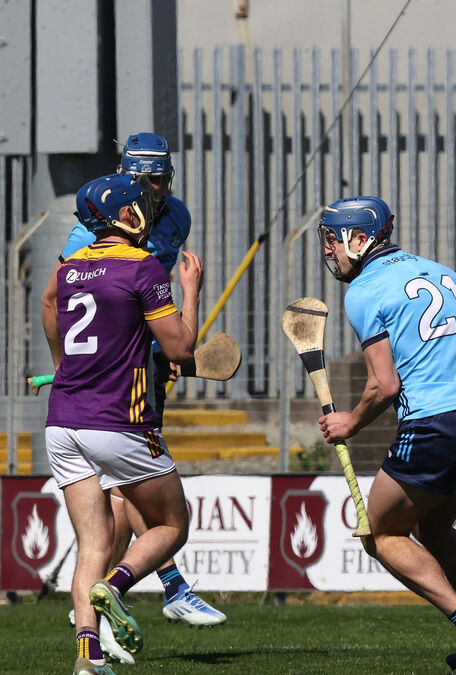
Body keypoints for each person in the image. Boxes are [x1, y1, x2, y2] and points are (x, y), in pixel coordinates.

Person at [40, 134, 226, 663]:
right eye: (140, 185)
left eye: (157, 181)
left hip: (66, 415)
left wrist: (71, 366)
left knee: (95, 538)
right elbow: (176, 337)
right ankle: (141, 586)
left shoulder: (84, 258)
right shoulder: (134, 257)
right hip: (119, 400)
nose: (149, 194)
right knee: (169, 521)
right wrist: (190, 295)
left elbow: (68, 298)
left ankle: (89, 655)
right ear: (122, 207)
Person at [315, 196, 456, 674]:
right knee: (435, 531)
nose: (327, 251)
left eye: (332, 240)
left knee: (380, 533)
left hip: (434, 426)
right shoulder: (443, 272)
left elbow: (384, 385)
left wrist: (350, 422)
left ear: (359, 239)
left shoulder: (364, 290)